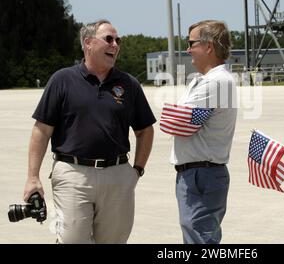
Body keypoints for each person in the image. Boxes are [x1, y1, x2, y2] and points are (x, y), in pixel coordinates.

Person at [23, 19, 156, 244]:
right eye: (109, 39)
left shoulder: (129, 84)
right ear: (88, 43)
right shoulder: (62, 80)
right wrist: (32, 177)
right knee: (72, 240)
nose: (115, 45)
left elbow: (145, 130)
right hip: (72, 175)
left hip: (118, 175)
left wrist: (136, 171)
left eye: (118, 40)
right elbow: (42, 131)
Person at [170, 20, 237, 244]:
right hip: (198, 173)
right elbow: (179, 119)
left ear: (208, 46)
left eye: (191, 43)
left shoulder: (215, 82)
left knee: (199, 238)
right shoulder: (205, 81)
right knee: (197, 236)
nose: (188, 49)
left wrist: (176, 115)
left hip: (201, 175)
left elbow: (178, 124)